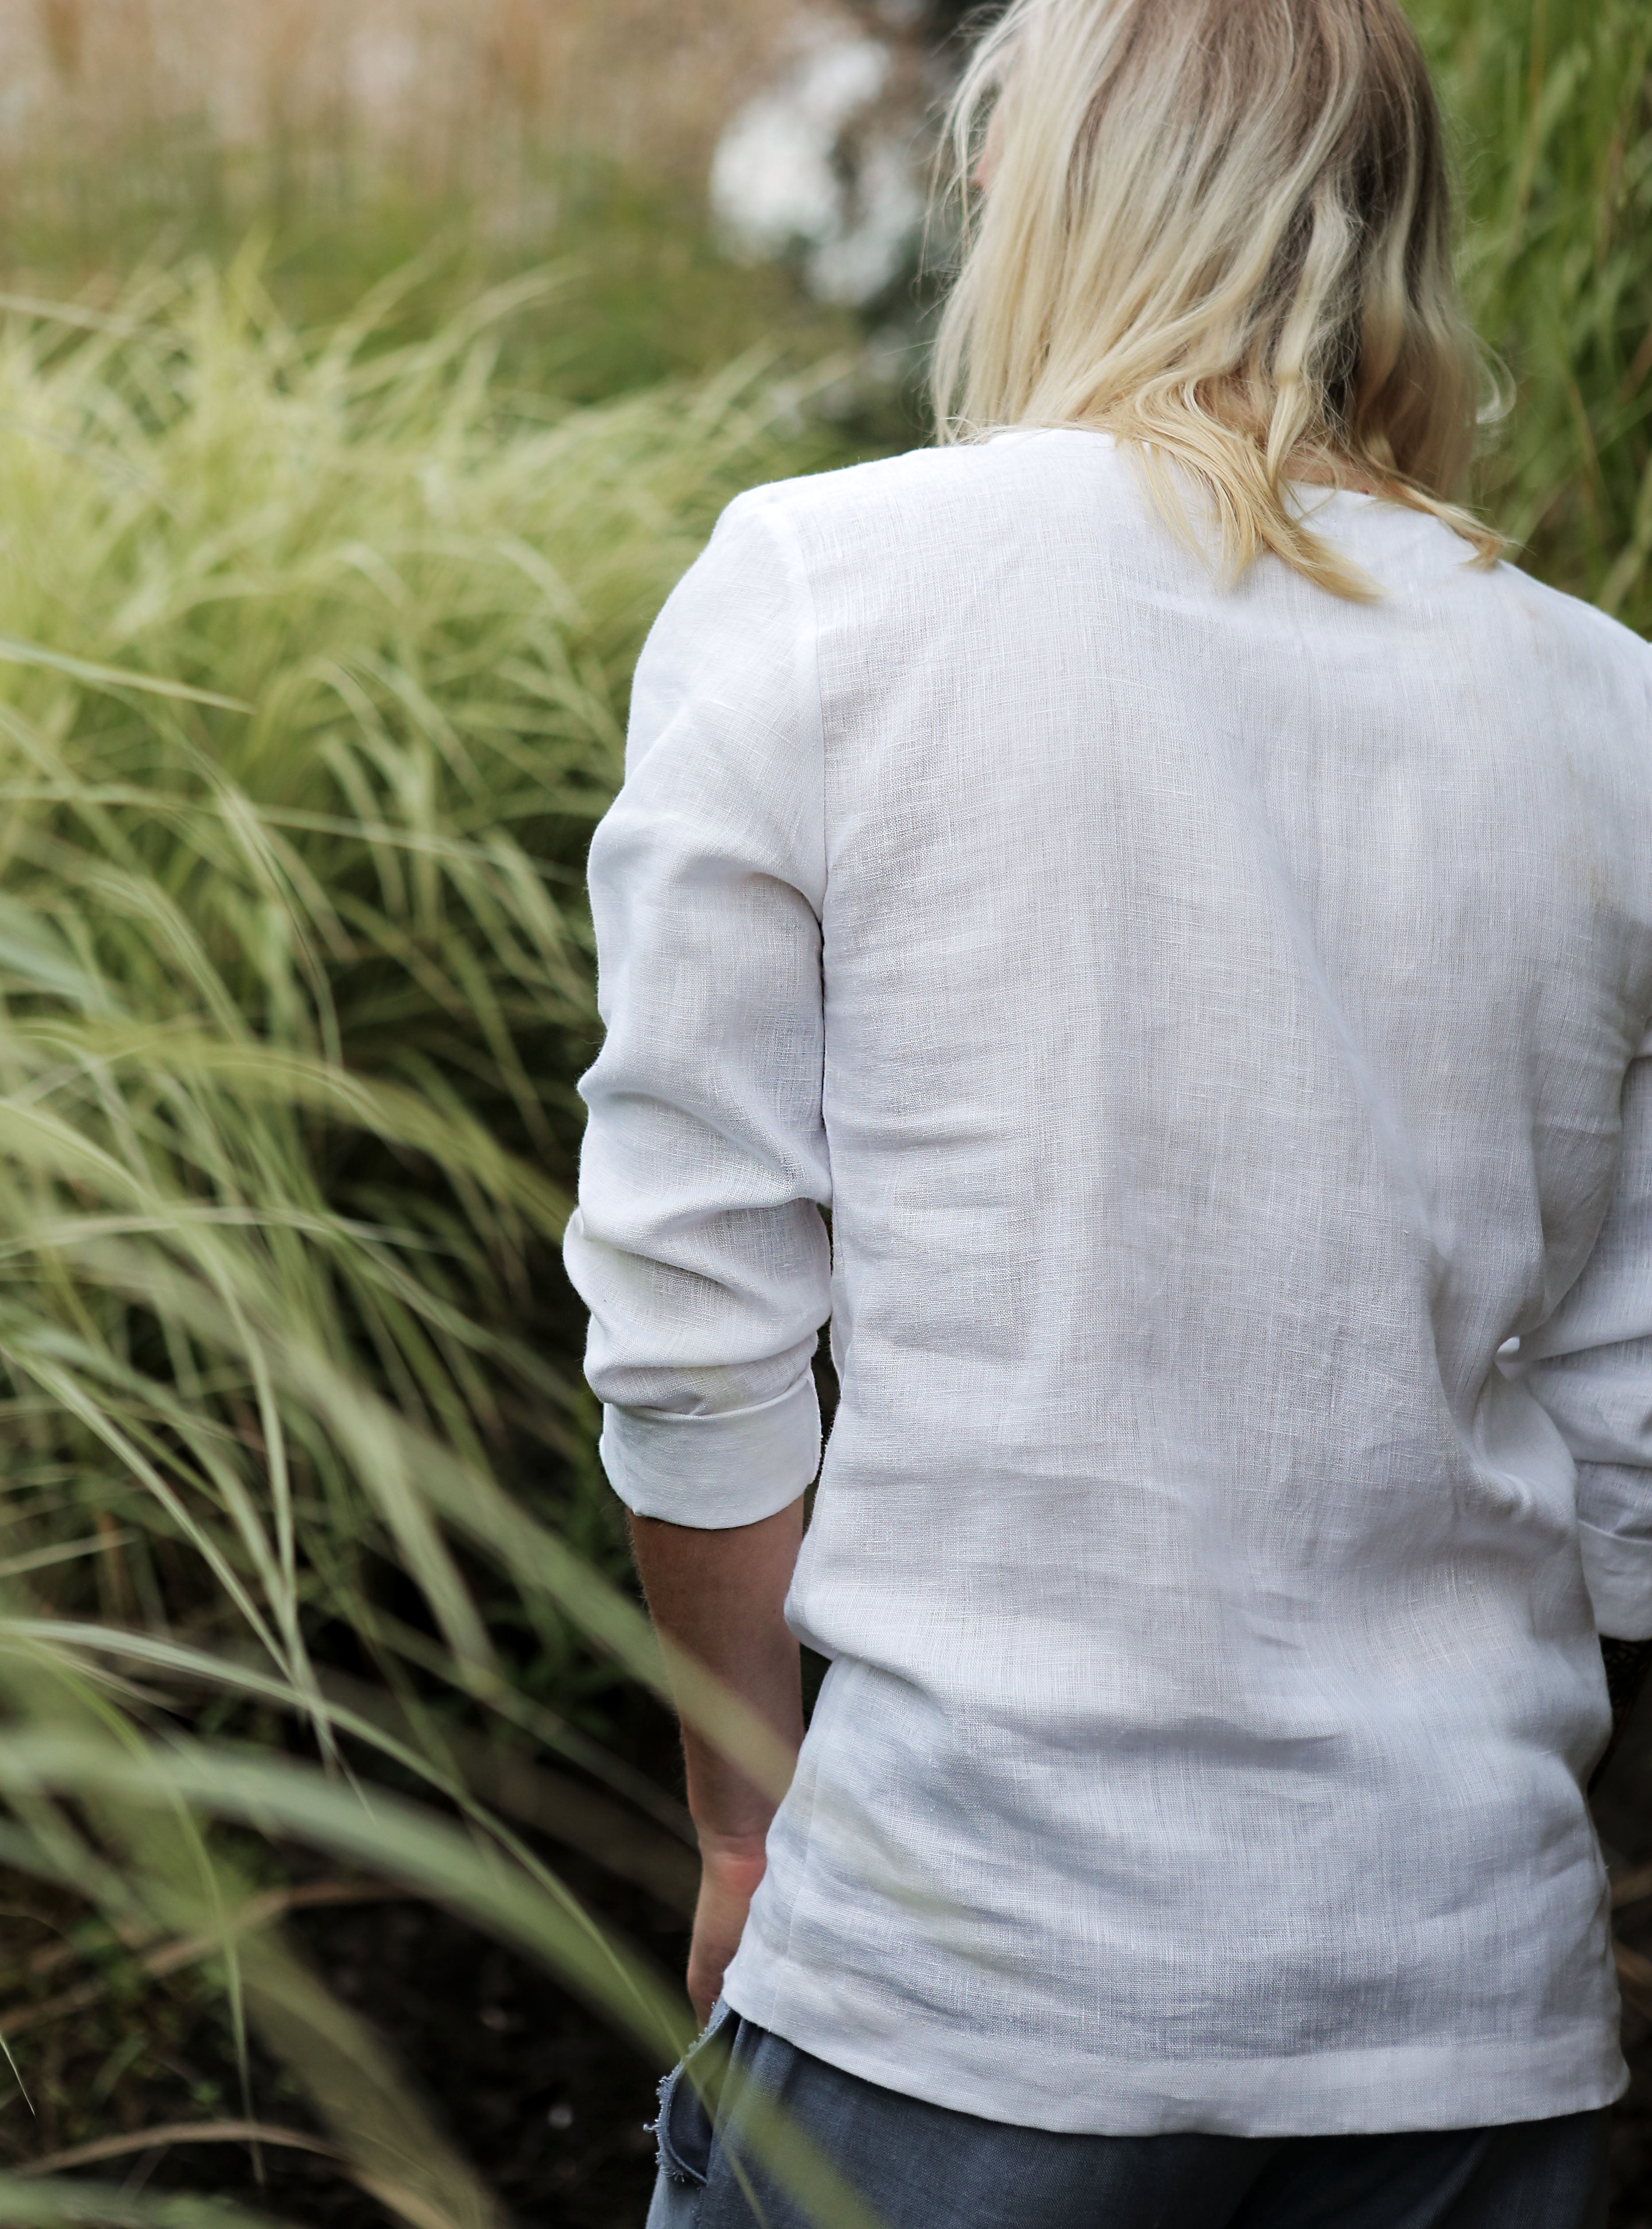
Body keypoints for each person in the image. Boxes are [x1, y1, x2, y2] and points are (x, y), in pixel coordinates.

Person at [562, 0, 1652, 2221]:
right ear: (1395, 231)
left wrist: (745, 1821)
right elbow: (1630, 1432)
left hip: (959, 1985)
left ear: (1039, 191)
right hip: (1469, 2024)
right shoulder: (1608, 709)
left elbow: (694, 1322)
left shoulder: (818, 594)